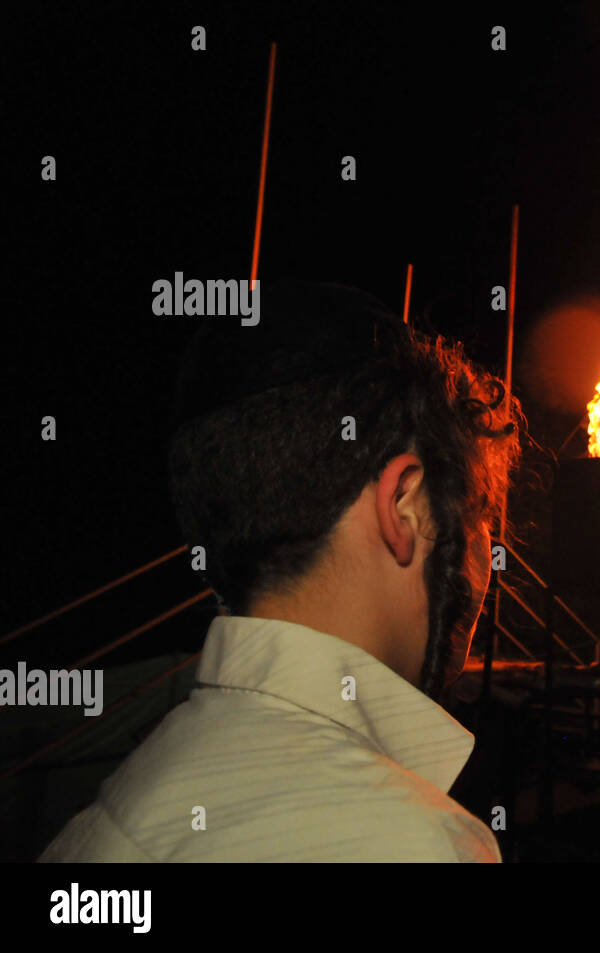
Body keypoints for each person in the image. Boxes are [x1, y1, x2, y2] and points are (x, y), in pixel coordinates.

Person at [40, 281, 520, 862]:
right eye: (477, 514)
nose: (484, 556)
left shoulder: (104, 820)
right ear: (405, 508)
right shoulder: (419, 844)